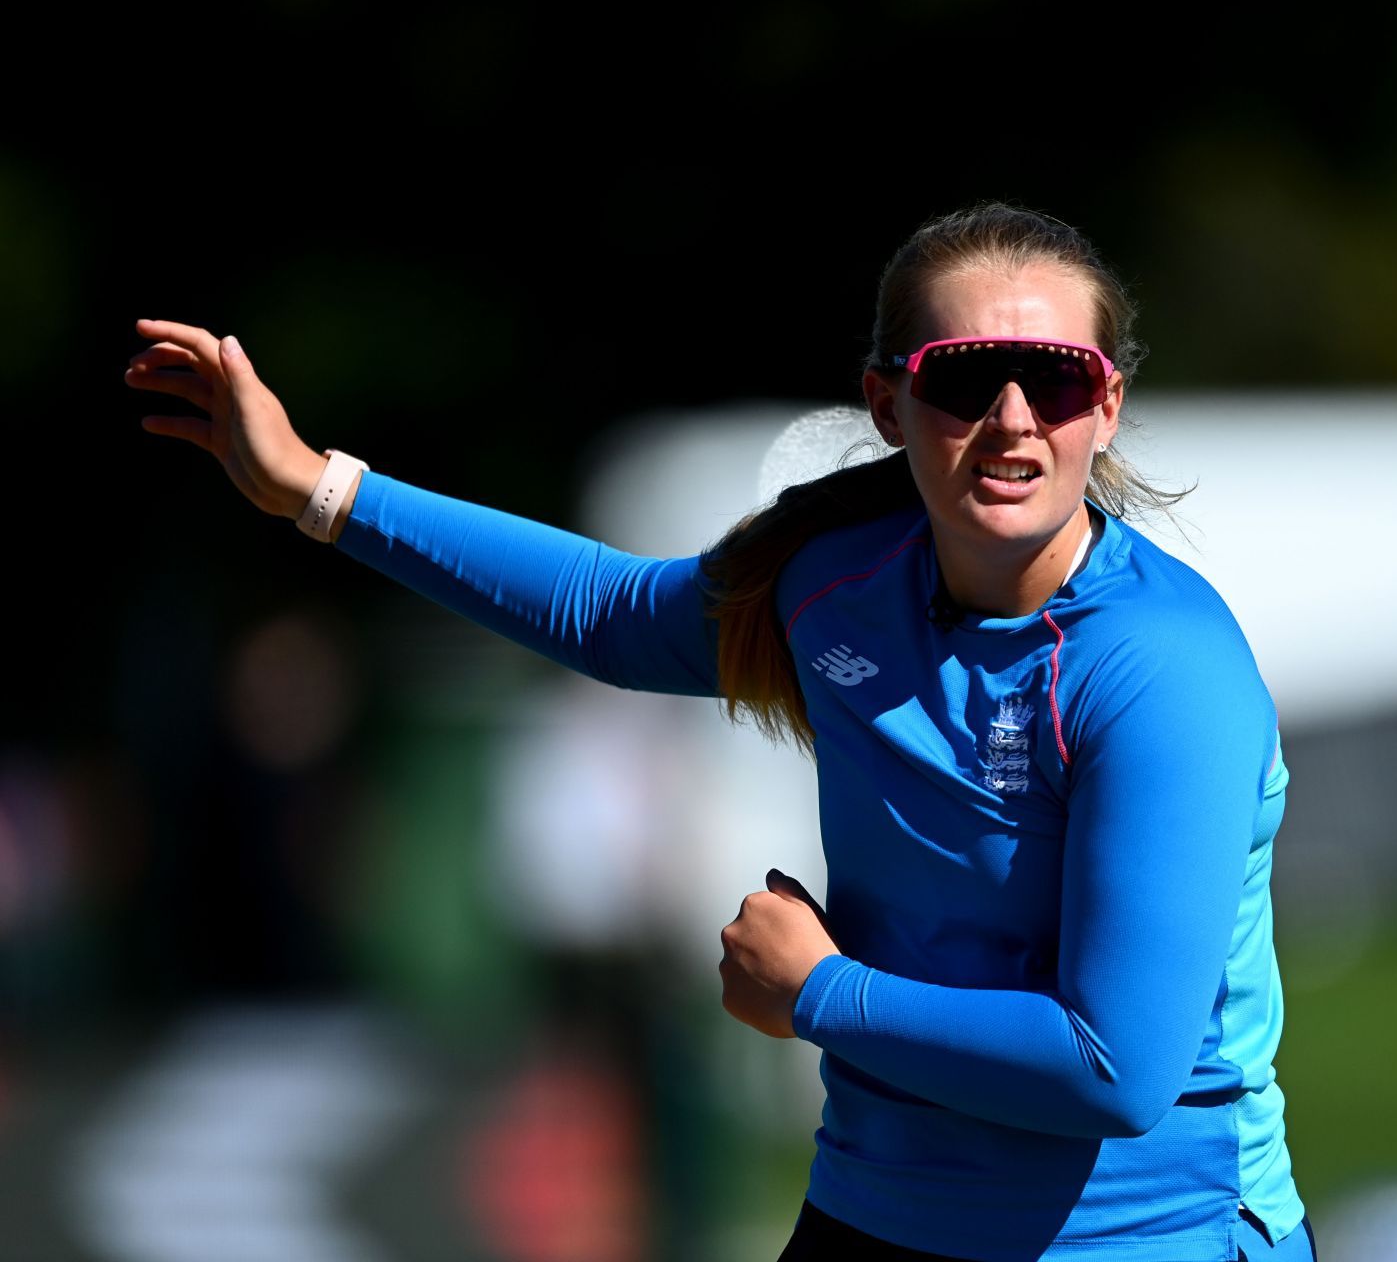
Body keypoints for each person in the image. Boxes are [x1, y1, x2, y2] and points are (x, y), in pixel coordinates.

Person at [126, 202, 1315, 1262]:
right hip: (875, 1212)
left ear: (1105, 403)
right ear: (889, 403)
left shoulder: (1162, 671)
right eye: (965, 377)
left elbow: (1115, 1067)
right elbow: (607, 611)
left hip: (1149, 1235)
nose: (1011, 420)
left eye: (1052, 379)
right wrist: (316, 491)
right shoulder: (833, 580)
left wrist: (820, 992)